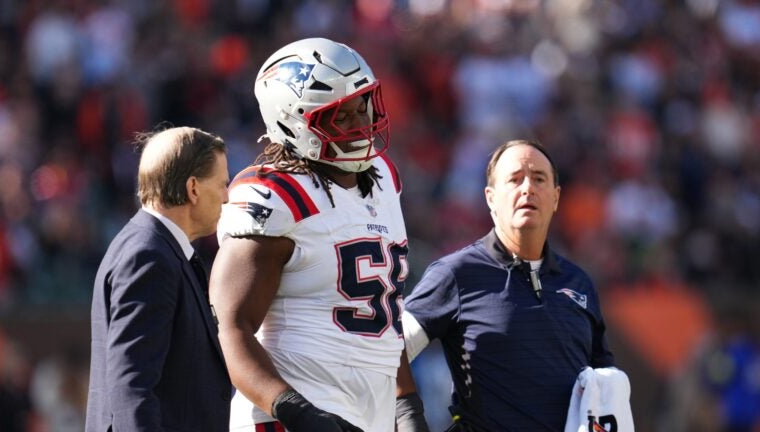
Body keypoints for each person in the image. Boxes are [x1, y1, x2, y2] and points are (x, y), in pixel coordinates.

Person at [210, 38, 428, 432]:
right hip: (293, 412)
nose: (361, 123)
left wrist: (407, 403)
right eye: (341, 117)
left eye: (363, 106)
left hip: (371, 410)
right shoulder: (274, 199)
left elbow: (382, 311)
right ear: (293, 122)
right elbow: (231, 328)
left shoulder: (383, 179)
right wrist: (295, 409)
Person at [400, 139, 616, 431]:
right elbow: (390, 352)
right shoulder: (456, 273)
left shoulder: (580, 283)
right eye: (514, 179)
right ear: (491, 197)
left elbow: (604, 383)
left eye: (539, 179)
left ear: (555, 197)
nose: (527, 188)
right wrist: (409, 418)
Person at [86, 126, 232, 432]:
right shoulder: (149, 256)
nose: (227, 197)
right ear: (193, 188)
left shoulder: (155, 248)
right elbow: (132, 388)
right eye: (222, 185)